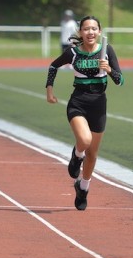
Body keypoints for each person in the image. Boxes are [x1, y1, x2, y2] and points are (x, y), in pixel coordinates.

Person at [45, 15, 124, 211]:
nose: (90, 32)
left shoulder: (107, 51)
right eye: (86, 29)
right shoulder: (72, 53)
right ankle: (76, 156)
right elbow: (53, 66)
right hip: (78, 103)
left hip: (98, 105)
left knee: (93, 155)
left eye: (94, 29)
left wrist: (109, 70)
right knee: (85, 140)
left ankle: (83, 188)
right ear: (80, 32)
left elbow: (121, 80)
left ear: (99, 32)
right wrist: (49, 90)